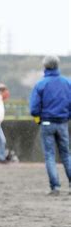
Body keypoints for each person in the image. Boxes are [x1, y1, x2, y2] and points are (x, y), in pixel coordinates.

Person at [29, 55, 71, 196]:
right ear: (57, 65)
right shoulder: (67, 83)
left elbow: (34, 108)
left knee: (50, 155)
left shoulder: (41, 84)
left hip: (47, 122)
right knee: (66, 154)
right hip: (63, 122)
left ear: (45, 66)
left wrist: (39, 118)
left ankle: (55, 187)